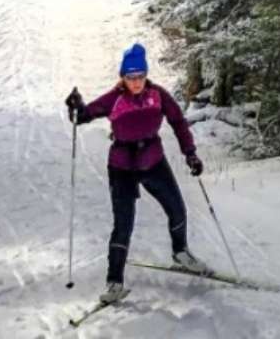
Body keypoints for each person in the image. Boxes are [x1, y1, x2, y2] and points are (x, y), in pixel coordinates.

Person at [65, 42, 209, 303]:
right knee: (123, 225)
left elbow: (178, 121)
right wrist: (76, 106)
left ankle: (180, 252)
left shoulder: (158, 95)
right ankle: (114, 282)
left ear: (146, 75)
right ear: (123, 76)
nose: (136, 82)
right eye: (131, 77)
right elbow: (84, 115)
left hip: (153, 161)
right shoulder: (115, 98)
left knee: (177, 208)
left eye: (140, 76)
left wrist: (190, 153)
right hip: (122, 167)